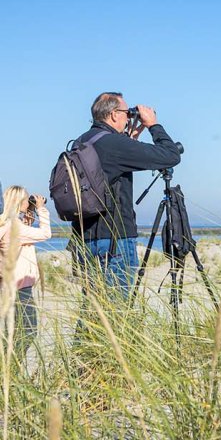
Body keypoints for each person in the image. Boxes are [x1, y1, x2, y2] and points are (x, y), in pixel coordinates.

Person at [70, 92, 181, 298]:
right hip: (115, 240)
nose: (129, 117)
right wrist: (153, 125)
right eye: (126, 113)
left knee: (92, 309)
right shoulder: (114, 144)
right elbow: (171, 155)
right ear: (113, 114)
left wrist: (128, 140)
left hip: (84, 238)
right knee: (115, 313)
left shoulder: (81, 141)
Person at [0, 186, 51, 358]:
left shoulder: (6, 224)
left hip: (8, 287)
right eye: (26, 199)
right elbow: (46, 234)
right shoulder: (16, 227)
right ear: (17, 202)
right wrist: (40, 209)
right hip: (21, 288)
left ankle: (9, 373)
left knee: (11, 334)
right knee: (28, 332)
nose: (28, 202)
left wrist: (27, 218)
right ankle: (12, 369)